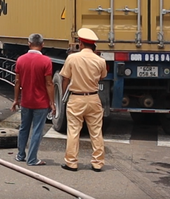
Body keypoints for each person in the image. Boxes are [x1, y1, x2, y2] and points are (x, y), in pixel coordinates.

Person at [60, 28, 107, 172]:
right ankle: (98, 163)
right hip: (93, 98)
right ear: (94, 46)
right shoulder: (100, 60)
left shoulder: (72, 58)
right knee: (96, 131)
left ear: (80, 44)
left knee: (74, 131)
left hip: (76, 98)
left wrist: (63, 96)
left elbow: (65, 78)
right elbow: (102, 76)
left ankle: (72, 162)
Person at [10, 33, 54, 166]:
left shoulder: (21, 60)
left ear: (28, 43)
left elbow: (17, 82)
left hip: (26, 101)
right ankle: (32, 159)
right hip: (41, 103)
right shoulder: (46, 61)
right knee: (37, 130)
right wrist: (52, 102)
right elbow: (49, 84)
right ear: (43, 45)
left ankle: (20, 155)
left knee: (24, 128)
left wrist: (16, 99)